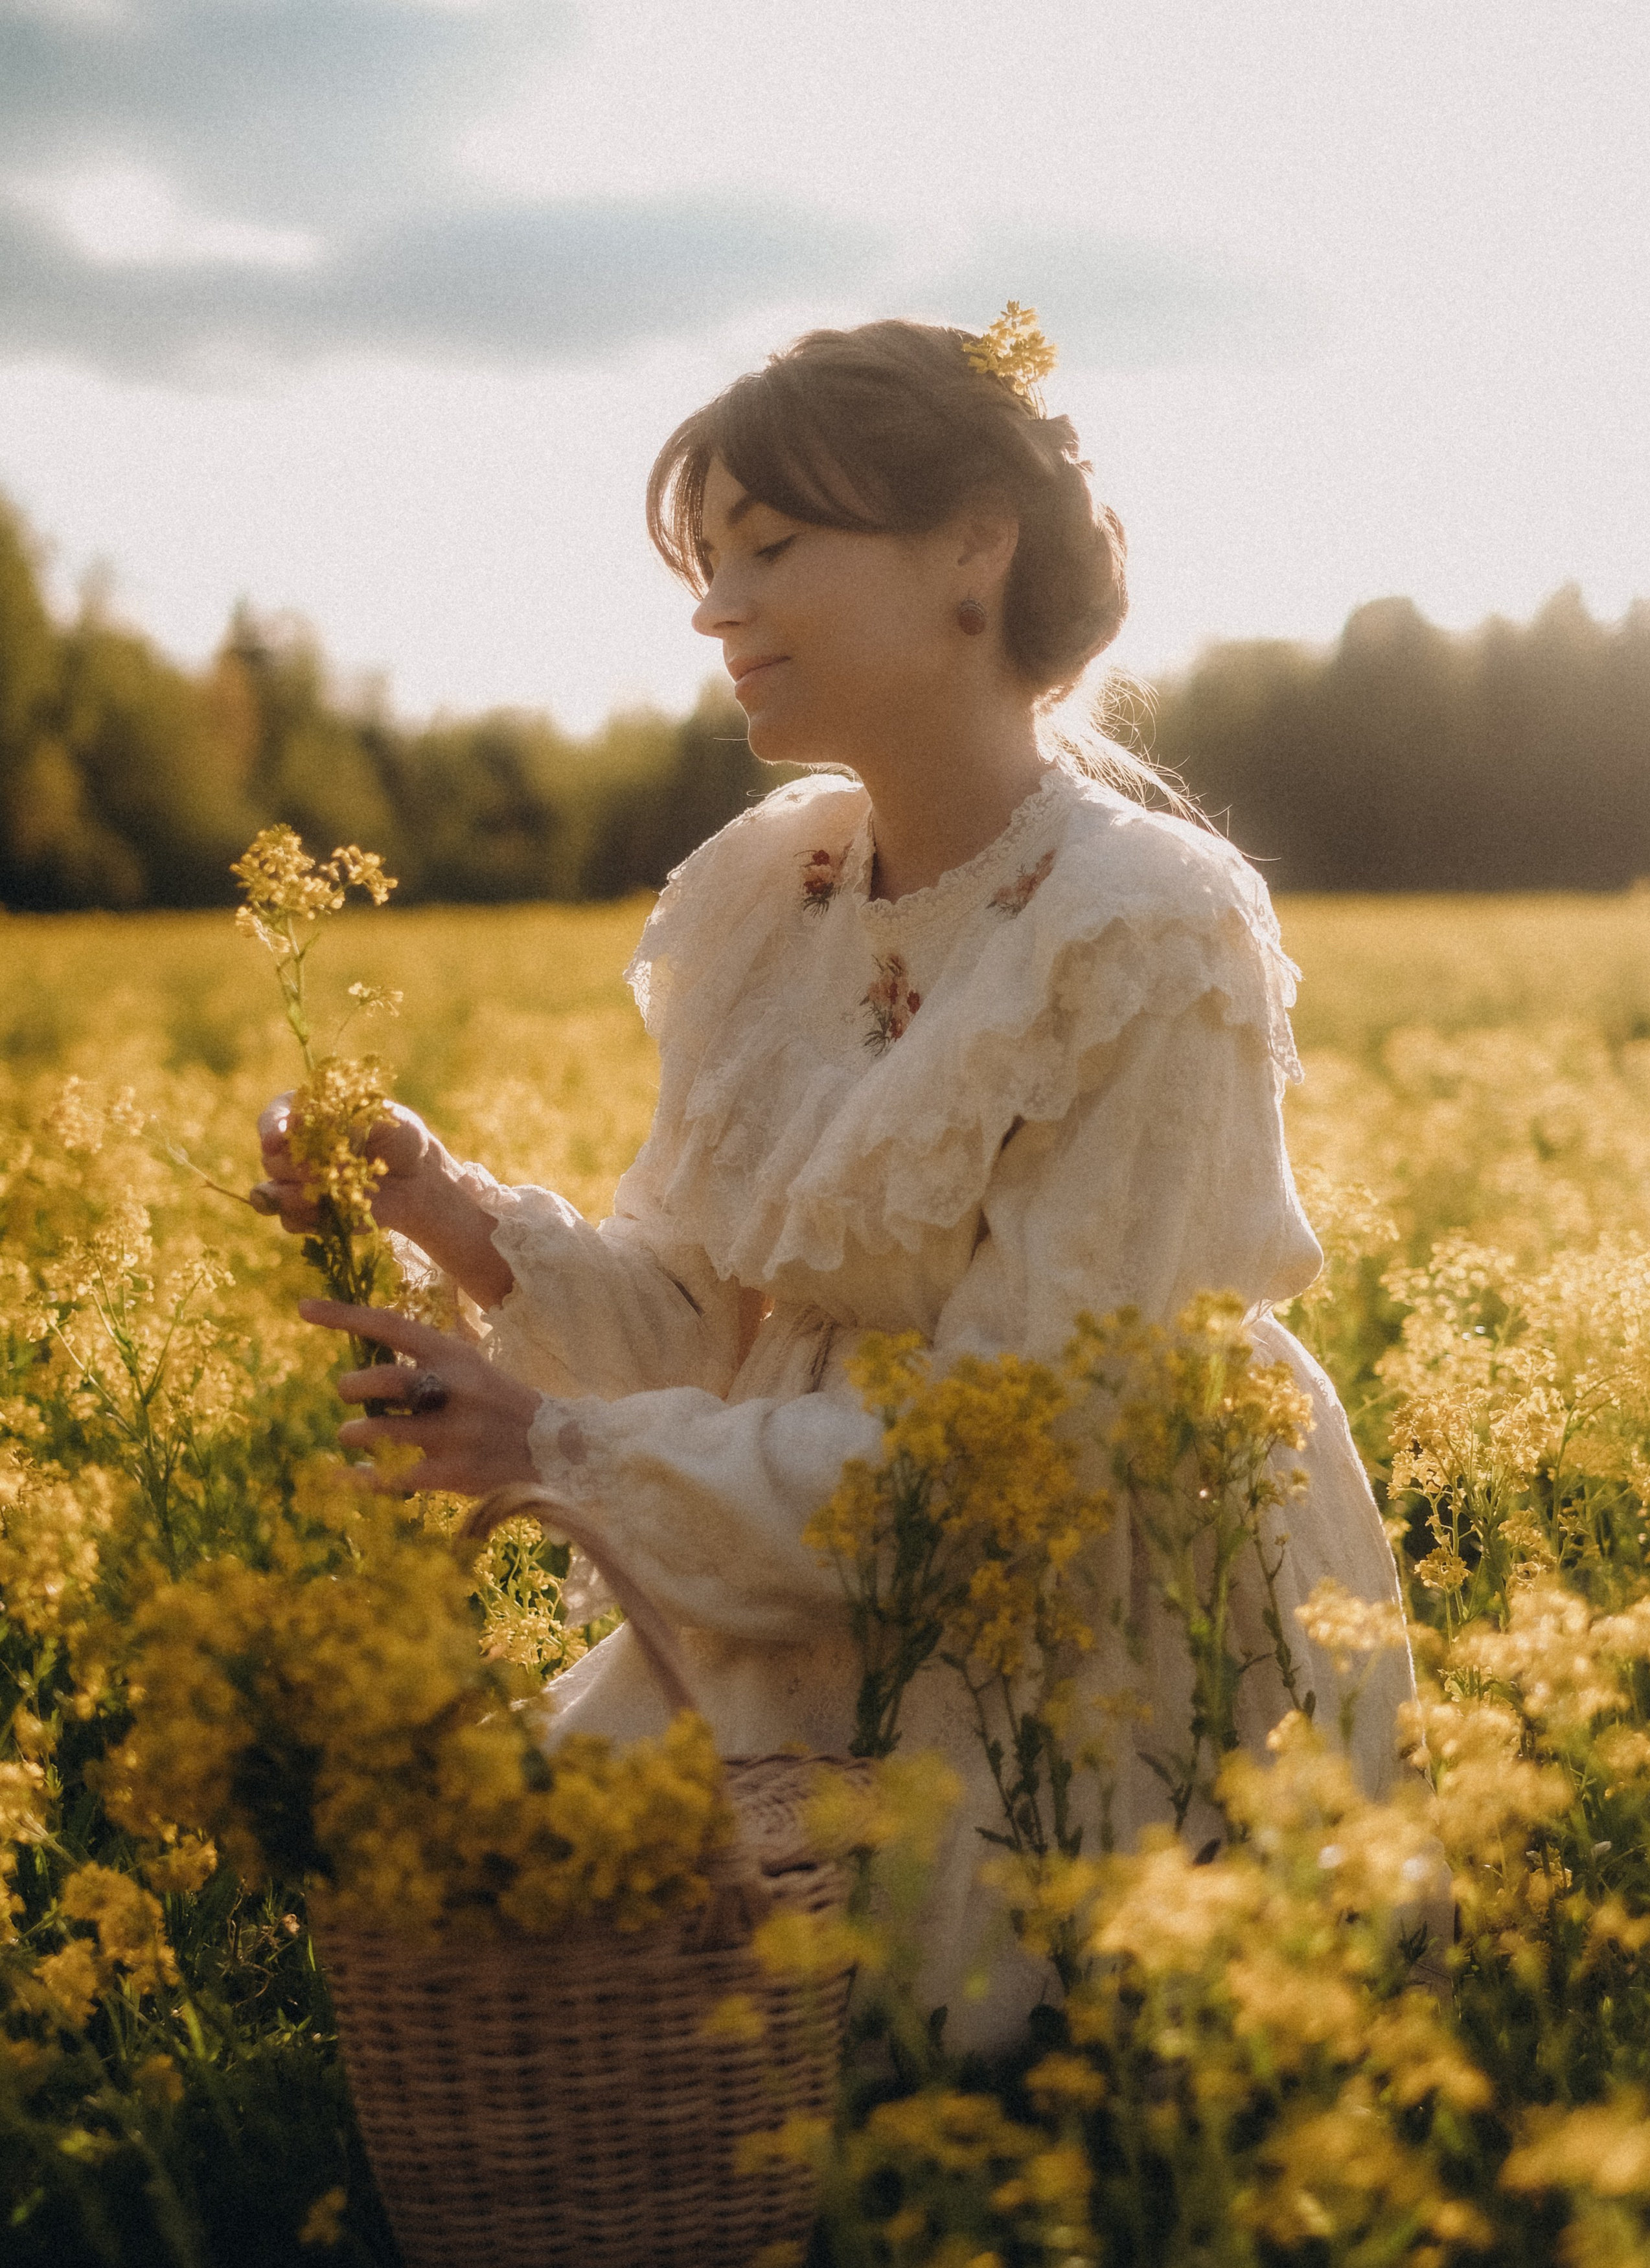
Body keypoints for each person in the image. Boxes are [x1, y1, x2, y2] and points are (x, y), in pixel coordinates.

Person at [255, 313, 1412, 2052]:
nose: (718, 610)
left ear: (974, 550)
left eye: (772, 550)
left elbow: (1024, 1455)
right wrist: (450, 1214)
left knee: (971, 2065)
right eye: (706, 565)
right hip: (812, 1564)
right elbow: (715, 1326)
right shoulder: (770, 892)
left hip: (1072, 1613)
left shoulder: (1145, 927)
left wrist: (554, 1452)